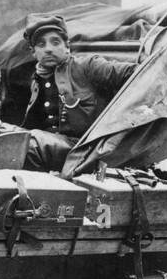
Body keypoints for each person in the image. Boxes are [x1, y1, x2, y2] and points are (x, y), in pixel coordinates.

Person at [15, 14, 138, 171]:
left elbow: (134, 72)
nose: (49, 49)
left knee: (28, 144)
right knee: (3, 135)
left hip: (83, 149)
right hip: (50, 149)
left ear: (67, 46)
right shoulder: (37, 80)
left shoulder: (87, 66)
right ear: (33, 52)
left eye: (55, 42)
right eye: (41, 44)